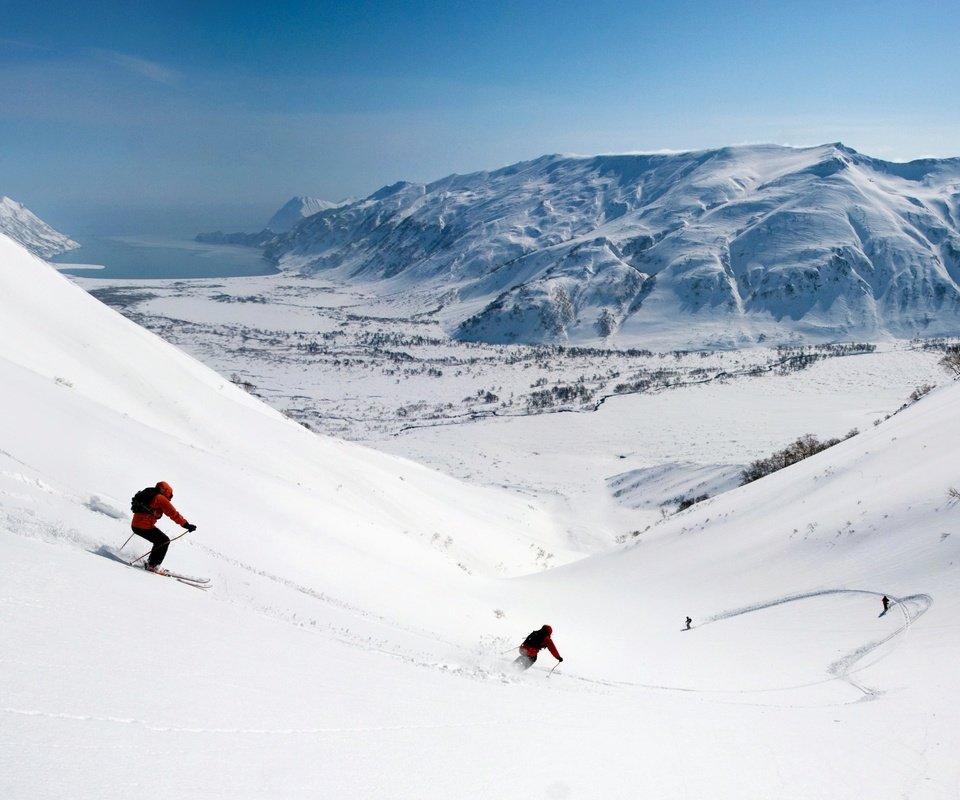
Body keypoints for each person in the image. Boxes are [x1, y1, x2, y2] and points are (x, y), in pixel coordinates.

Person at [130, 481, 196, 574]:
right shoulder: (160, 498)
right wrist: (186, 525)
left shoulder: (149, 492)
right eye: (170, 496)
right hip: (143, 526)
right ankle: (153, 566)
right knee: (164, 541)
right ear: (167, 492)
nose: (170, 499)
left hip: (136, 525)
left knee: (160, 540)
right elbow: (173, 513)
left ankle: (151, 563)